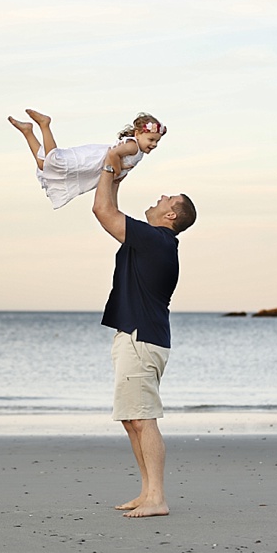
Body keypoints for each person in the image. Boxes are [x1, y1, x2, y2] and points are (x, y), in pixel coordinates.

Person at [92, 146, 196, 518]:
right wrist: (116, 175)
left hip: (142, 338)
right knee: (131, 417)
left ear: (171, 215)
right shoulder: (153, 241)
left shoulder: (157, 240)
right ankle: (147, 491)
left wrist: (108, 161)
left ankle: (158, 498)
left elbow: (103, 212)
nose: (160, 197)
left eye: (167, 198)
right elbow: (112, 208)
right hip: (136, 336)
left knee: (143, 417)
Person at [8, 109, 166, 209]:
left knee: (44, 165)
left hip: (96, 166)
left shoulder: (138, 152)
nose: (154, 144)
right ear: (138, 134)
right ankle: (44, 125)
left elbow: (116, 180)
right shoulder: (133, 147)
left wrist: (113, 205)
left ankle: (28, 132)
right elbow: (113, 155)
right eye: (151, 139)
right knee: (55, 161)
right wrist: (116, 171)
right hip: (93, 160)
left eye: (157, 141)